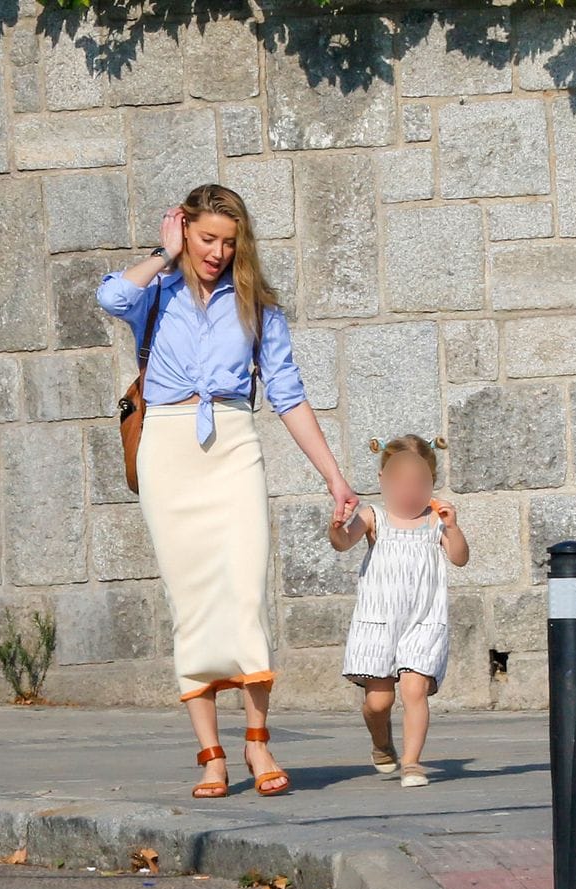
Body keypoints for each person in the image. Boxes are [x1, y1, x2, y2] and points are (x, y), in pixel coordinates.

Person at [97, 183, 358, 799]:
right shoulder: (157, 290)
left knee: (245, 595)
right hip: (168, 446)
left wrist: (333, 475)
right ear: (184, 228)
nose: (216, 251)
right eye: (206, 237)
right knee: (192, 605)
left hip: (234, 443)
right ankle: (210, 754)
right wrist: (164, 255)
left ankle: (258, 741)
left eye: (228, 241)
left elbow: (288, 394)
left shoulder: (257, 305)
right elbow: (112, 296)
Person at [328, 434, 469, 788]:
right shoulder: (373, 516)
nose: (409, 491)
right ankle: (381, 742)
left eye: (419, 483)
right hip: (378, 623)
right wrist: (337, 529)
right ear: (383, 481)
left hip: (424, 621)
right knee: (379, 702)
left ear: (432, 484)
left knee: (414, 690)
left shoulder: (435, 521)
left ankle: (412, 763)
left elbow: (459, 558)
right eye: (400, 482)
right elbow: (345, 542)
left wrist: (453, 528)